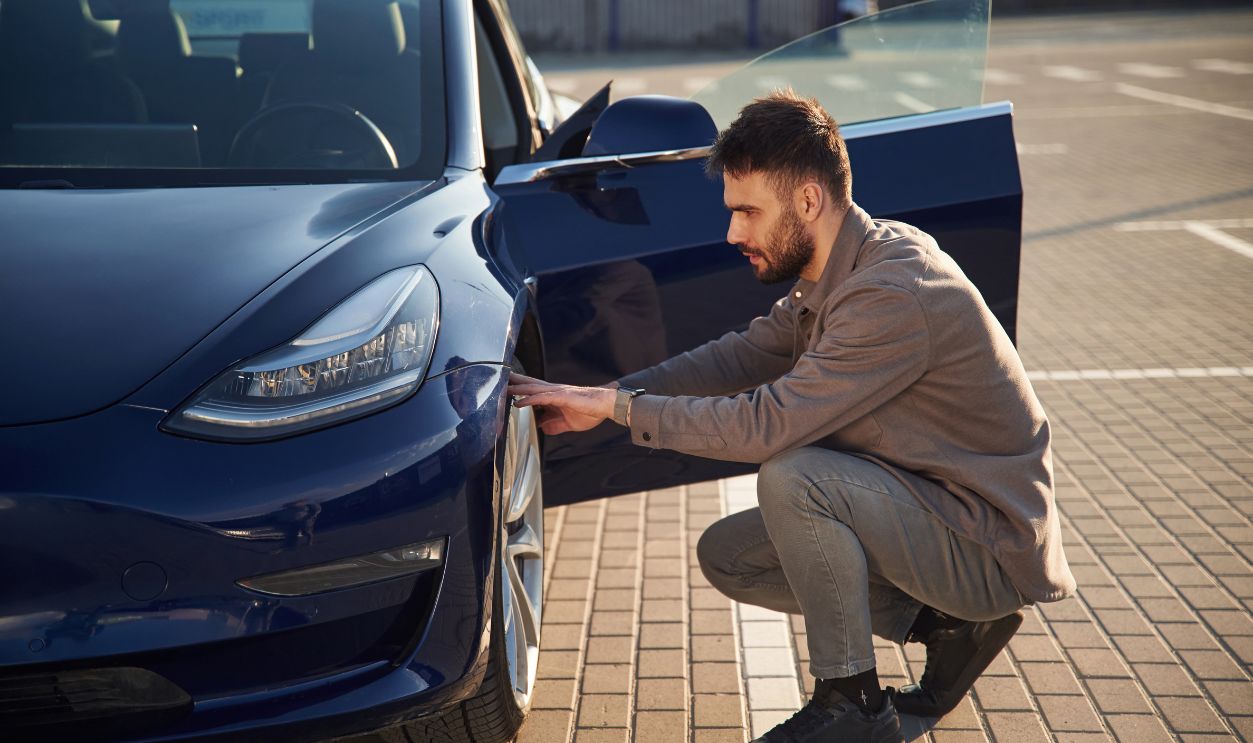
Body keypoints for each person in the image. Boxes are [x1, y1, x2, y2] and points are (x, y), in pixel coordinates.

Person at [507, 89, 1075, 743]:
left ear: (808, 200)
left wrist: (620, 408)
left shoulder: (890, 292)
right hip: (932, 508)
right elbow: (742, 355)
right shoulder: (842, 264)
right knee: (729, 555)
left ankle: (853, 704)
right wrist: (606, 398)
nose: (731, 233)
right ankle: (945, 625)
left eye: (747, 211)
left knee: (795, 475)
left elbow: (766, 424)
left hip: (986, 542)